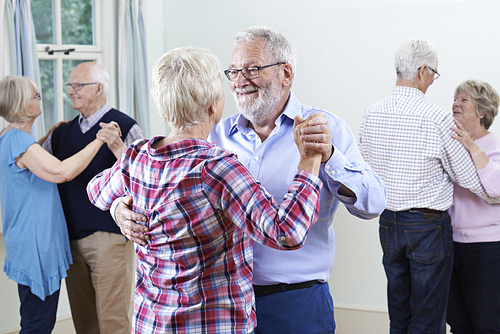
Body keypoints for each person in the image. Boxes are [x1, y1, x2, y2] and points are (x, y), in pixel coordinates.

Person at [113, 26, 386, 333]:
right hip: (218, 306)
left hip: (294, 304)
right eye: (233, 71)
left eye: (252, 69)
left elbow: (373, 203)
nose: (240, 81)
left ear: (286, 73)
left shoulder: (324, 129)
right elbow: (142, 185)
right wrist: (120, 209)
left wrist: (330, 156)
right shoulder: (210, 137)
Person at [87, 46, 323, 334]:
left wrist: (117, 207)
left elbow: (95, 191)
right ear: (213, 104)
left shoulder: (136, 157)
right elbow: (286, 232)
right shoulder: (216, 168)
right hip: (211, 326)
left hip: (151, 324)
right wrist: (309, 162)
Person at [359, 40, 500, 334]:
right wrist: (491, 194)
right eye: (434, 73)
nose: (434, 81)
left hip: (389, 223)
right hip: (426, 227)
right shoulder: (436, 118)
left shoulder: (371, 112)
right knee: (429, 316)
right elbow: (470, 179)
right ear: (422, 71)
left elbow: (365, 168)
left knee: (400, 310)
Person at [41, 62, 144, 334]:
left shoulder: (125, 125)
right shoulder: (61, 132)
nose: (70, 91)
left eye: (78, 85)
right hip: (69, 239)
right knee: (84, 323)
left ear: (99, 88)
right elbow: (37, 166)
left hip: (108, 239)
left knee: (113, 322)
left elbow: (145, 177)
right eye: (69, 85)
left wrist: (118, 147)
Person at [0, 75, 105, 333]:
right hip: (35, 245)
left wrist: (46, 136)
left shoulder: (9, 137)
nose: (39, 99)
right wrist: (99, 140)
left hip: (25, 240)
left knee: (34, 318)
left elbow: (27, 169)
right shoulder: (19, 141)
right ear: (19, 104)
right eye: (35, 95)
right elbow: (61, 172)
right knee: (39, 324)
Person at [446, 80, 500, 333]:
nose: (455, 103)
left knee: (487, 324)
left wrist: (470, 144)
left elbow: (497, 189)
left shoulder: (494, 146)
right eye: (455, 99)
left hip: (487, 248)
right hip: (451, 245)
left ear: (482, 111)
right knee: (458, 322)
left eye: (464, 100)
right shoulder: (451, 145)